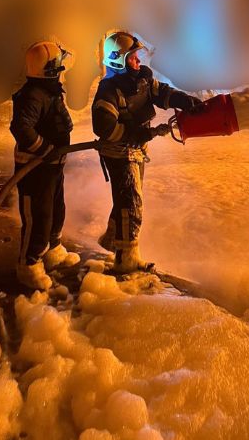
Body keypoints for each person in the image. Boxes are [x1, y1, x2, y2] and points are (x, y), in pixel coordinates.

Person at [91, 31, 202, 274]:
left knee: (125, 199)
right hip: (119, 152)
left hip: (136, 149)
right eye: (133, 58)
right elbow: (104, 128)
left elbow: (162, 92)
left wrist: (185, 101)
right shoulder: (109, 90)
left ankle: (112, 240)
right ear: (118, 61)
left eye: (137, 56)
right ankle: (126, 258)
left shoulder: (141, 81)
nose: (138, 62)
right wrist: (135, 136)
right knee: (131, 202)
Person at [10, 40, 82, 290]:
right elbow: (21, 128)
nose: (62, 65)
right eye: (58, 62)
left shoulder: (48, 89)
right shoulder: (33, 95)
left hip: (51, 166)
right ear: (49, 68)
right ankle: (28, 265)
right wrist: (45, 150)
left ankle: (52, 248)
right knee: (37, 217)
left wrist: (54, 154)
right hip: (35, 169)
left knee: (55, 210)